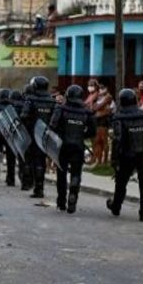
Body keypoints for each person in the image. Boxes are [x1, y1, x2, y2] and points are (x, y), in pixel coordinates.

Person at [107, 88, 143, 221]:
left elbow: (117, 140)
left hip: (126, 155)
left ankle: (116, 206)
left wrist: (114, 160)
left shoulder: (118, 117)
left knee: (121, 182)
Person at [50, 85, 95, 214]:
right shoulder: (87, 112)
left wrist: (61, 133)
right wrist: (81, 135)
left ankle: (61, 202)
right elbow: (92, 131)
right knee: (76, 173)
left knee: (61, 174)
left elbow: (53, 125)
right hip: (78, 146)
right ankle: (73, 196)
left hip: (63, 146)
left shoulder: (60, 109)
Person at [21, 76, 57, 198]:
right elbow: (55, 120)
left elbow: (24, 116)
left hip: (31, 134)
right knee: (41, 161)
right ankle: (40, 188)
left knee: (29, 160)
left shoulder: (30, 100)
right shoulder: (52, 101)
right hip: (46, 136)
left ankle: (28, 183)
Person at [91, 83, 114, 166]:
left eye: (102, 88)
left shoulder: (108, 96)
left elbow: (98, 108)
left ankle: (105, 161)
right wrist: (99, 110)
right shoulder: (98, 97)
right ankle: (99, 160)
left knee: (104, 140)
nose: (100, 89)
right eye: (99, 88)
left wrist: (99, 110)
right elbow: (94, 107)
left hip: (104, 121)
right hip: (97, 120)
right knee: (97, 140)